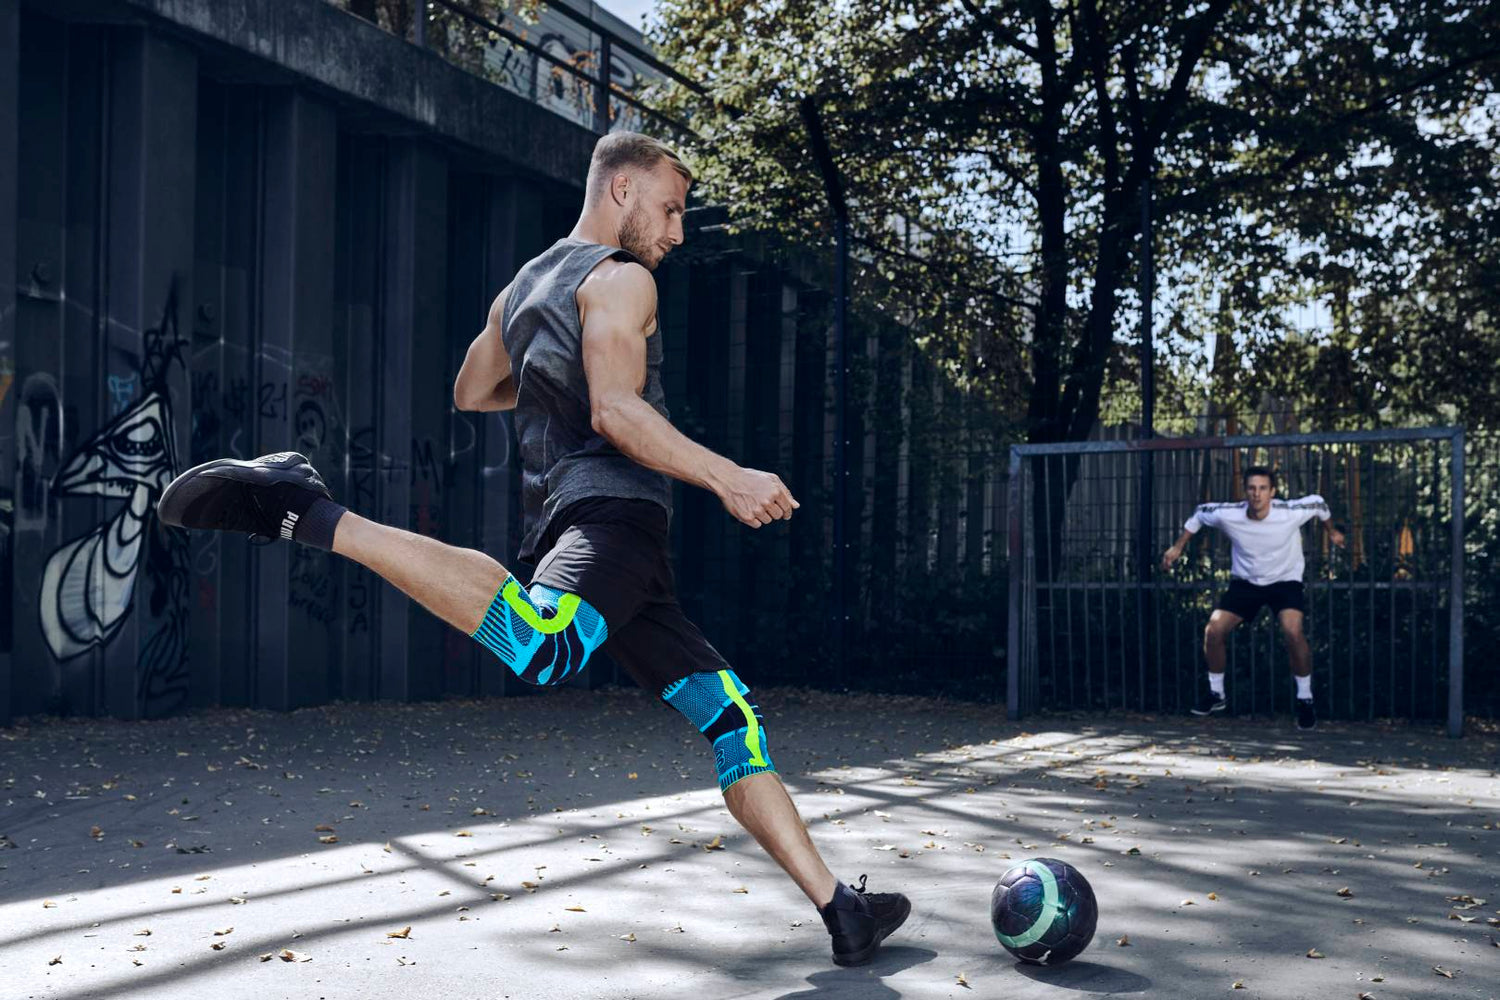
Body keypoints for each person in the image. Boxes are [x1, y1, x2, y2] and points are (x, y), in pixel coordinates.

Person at [157, 131, 908, 967]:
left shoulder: (523, 288)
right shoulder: (623, 279)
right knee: (540, 645)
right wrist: (728, 475)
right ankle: (310, 509)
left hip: (622, 554)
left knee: (732, 721)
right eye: (670, 208)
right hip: (610, 520)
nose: (678, 231)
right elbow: (618, 414)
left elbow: (473, 389)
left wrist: (565, 368)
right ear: (621, 190)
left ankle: (841, 909)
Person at [1160, 465, 1346, 730]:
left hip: (1285, 581)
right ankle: (1216, 694)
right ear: (1245, 491)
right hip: (1246, 583)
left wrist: (1332, 531)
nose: (1257, 494)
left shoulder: (1289, 513)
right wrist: (1178, 546)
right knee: (1213, 629)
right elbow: (1200, 514)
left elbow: (1319, 503)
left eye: (1262, 489)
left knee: (1293, 632)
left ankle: (1305, 699)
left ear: (1272, 492)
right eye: (1252, 488)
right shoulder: (1230, 514)